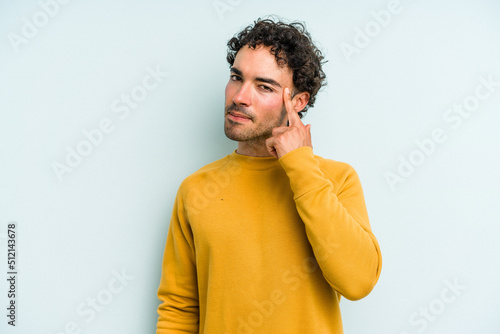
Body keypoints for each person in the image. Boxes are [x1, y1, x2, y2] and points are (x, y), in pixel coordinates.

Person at [156, 17, 382, 334]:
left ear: (298, 102)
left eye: (264, 86)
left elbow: (358, 282)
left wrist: (302, 167)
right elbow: (179, 310)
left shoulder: (335, 179)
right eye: (237, 78)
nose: (240, 96)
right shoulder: (196, 190)